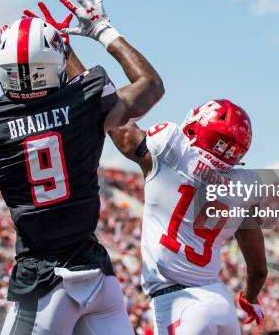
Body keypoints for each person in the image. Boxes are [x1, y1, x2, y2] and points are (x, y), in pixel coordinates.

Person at [0, 0, 164, 334]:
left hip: (42, 281)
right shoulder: (87, 97)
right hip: (98, 277)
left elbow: (24, 122)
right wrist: (96, 31)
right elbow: (150, 85)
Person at [109, 100, 267, 334]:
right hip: (220, 301)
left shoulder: (171, 150)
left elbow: (115, 121)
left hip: (178, 302)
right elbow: (259, 270)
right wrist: (249, 297)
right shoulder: (245, 186)